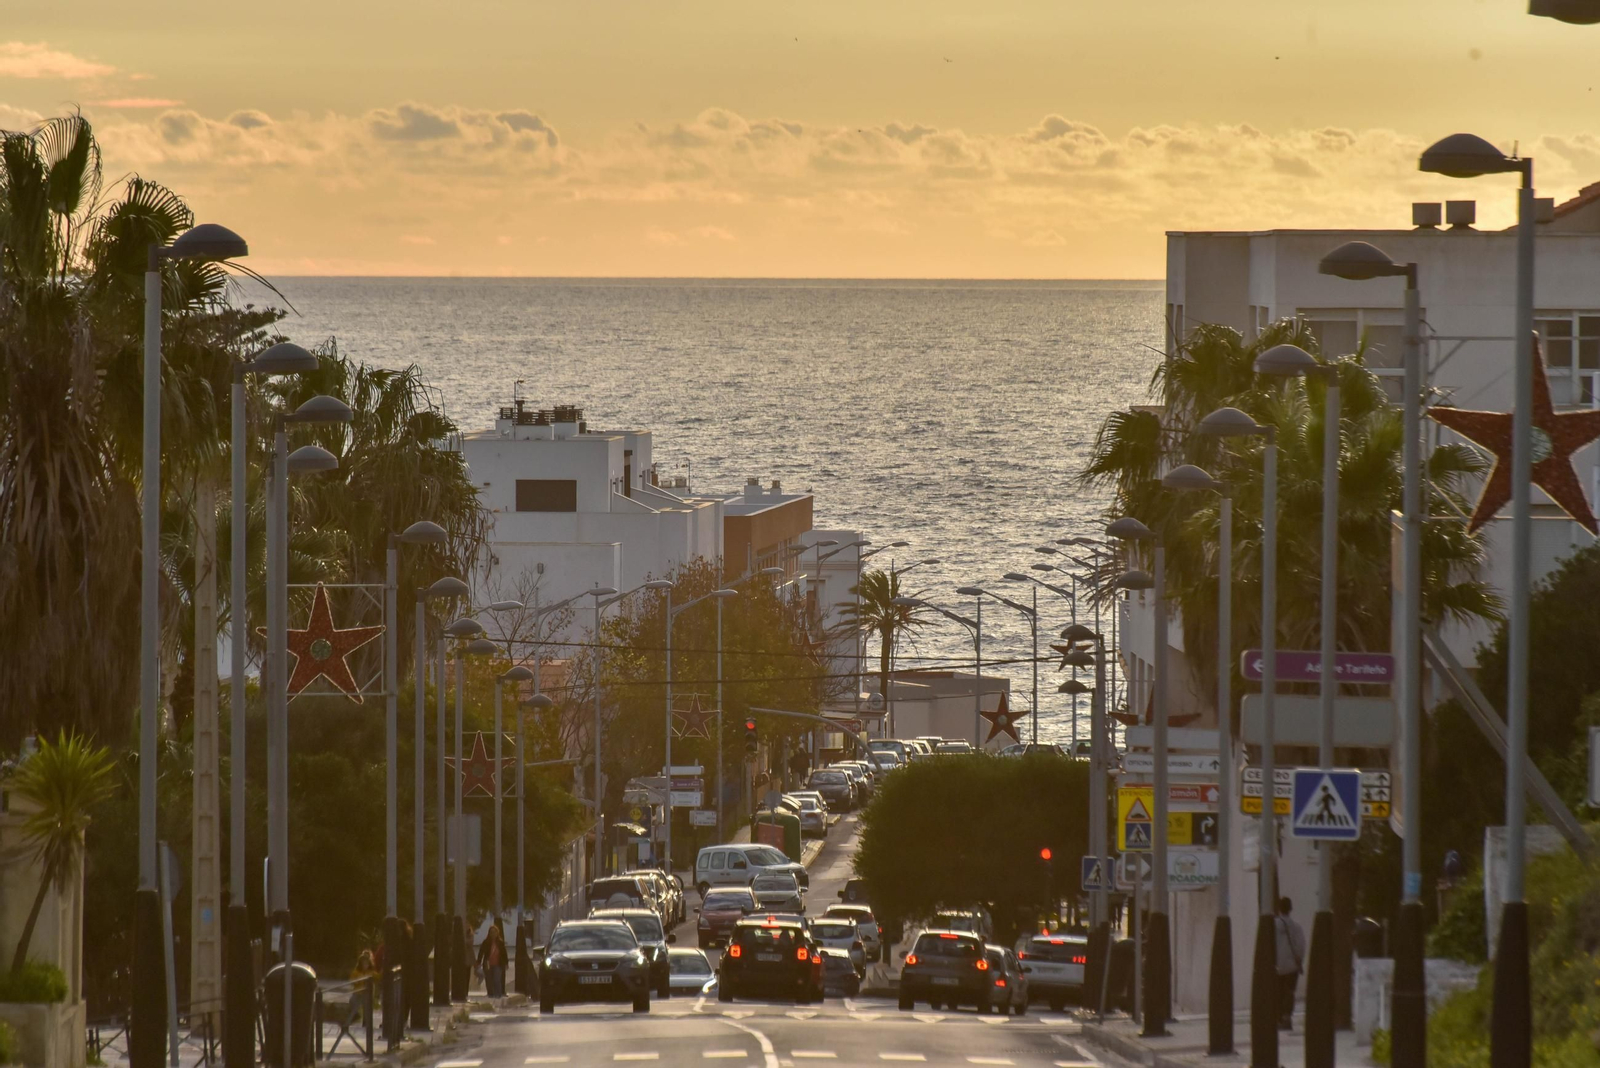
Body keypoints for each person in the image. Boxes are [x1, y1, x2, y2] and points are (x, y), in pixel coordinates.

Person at [1274, 896, 1307, 1030]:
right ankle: (1287, 1017)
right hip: (1292, 966)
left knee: (1278, 992)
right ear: (1290, 909)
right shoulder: (1296, 927)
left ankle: (1279, 1017)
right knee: (1289, 992)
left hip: (1277, 966)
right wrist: (1299, 959)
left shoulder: (1272, 925)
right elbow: (1301, 946)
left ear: (1279, 909)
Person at [477, 923, 508, 999]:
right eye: (491, 932)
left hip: (498, 964)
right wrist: (478, 962)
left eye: (494, 932)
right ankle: (491, 994)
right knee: (489, 980)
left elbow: (504, 953)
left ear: (497, 933)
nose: (493, 934)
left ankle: (498, 994)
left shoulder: (500, 942)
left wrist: (506, 963)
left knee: (497, 979)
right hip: (488, 963)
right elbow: (481, 952)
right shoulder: (486, 942)